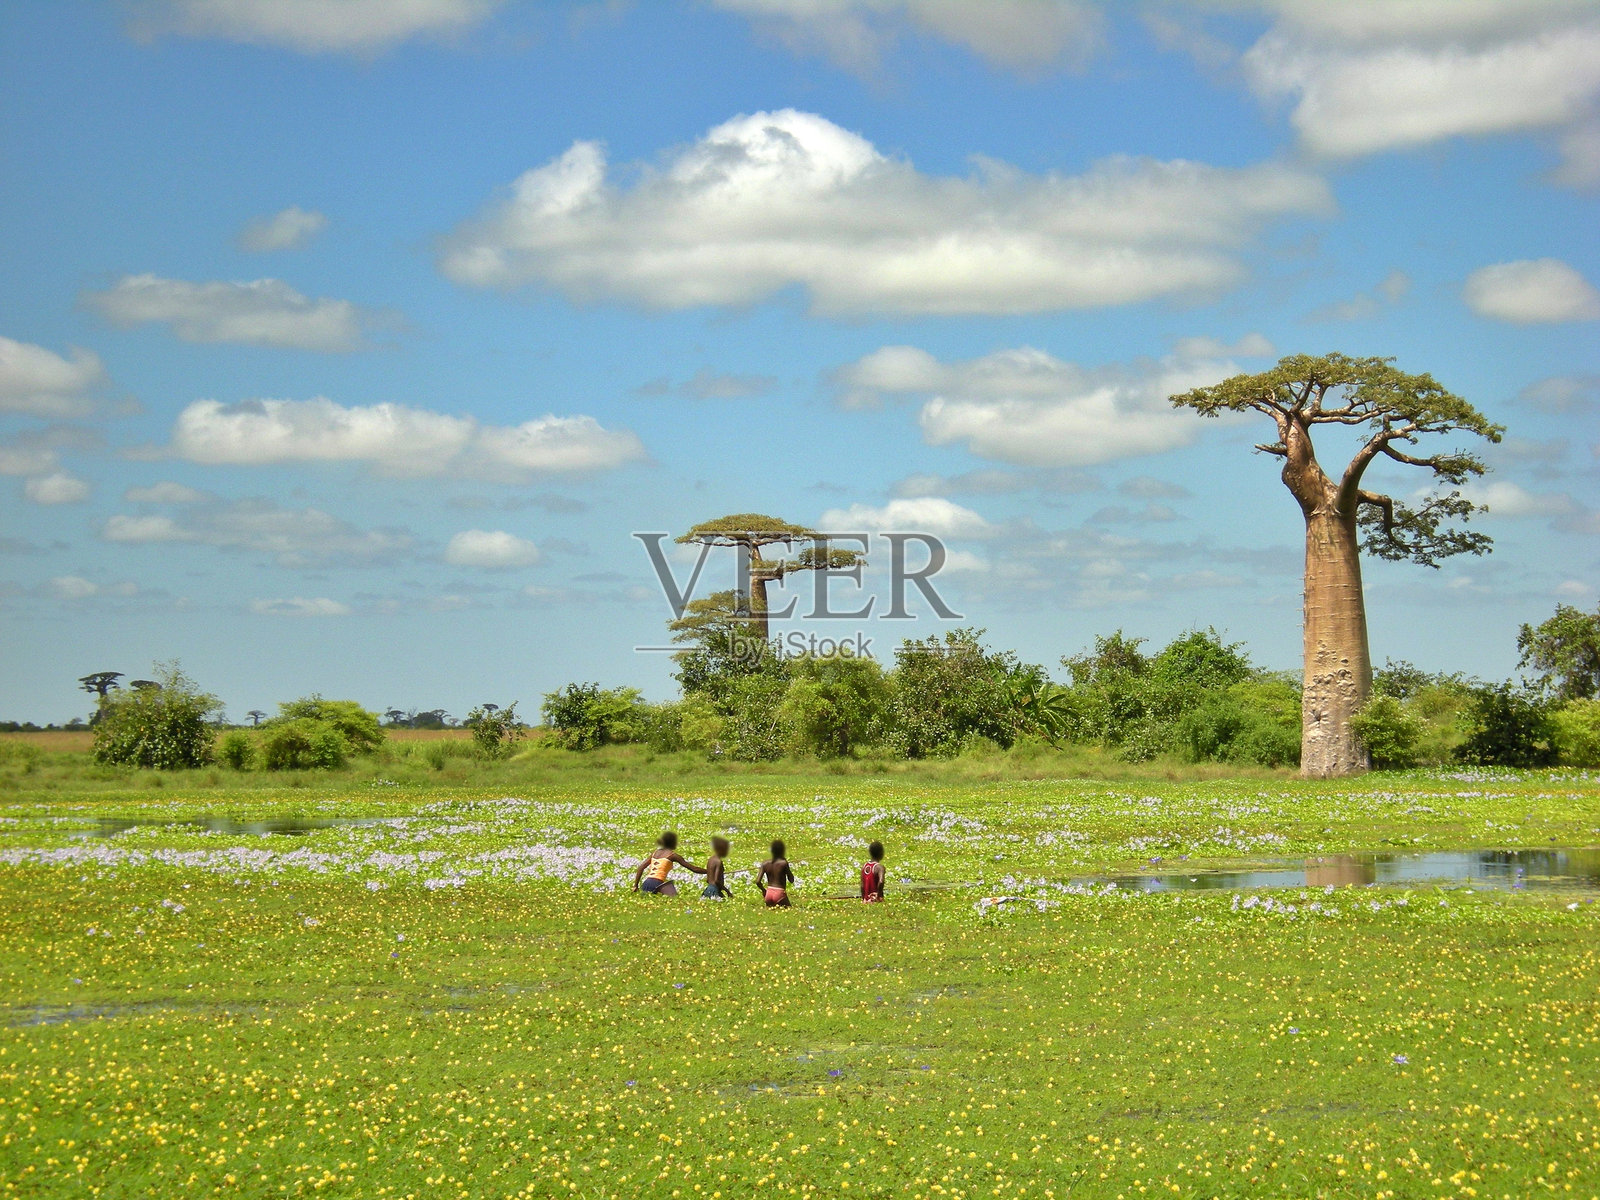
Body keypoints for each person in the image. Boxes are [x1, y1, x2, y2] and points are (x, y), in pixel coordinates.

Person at [632, 830, 703, 897]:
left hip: (646, 883)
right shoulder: (672, 855)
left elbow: (641, 867)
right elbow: (694, 869)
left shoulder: (655, 853)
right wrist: (709, 871)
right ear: (672, 843)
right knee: (673, 900)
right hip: (658, 884)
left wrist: (636, 885)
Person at [757, 839, 795, 907]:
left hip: (768, 893)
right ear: (782, 851)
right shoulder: (783, 863)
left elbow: (757, 881)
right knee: (790, 910)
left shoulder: (764, 863)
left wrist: (763, 890)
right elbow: (791, 880)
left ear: (772, 851)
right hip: (779, 893)